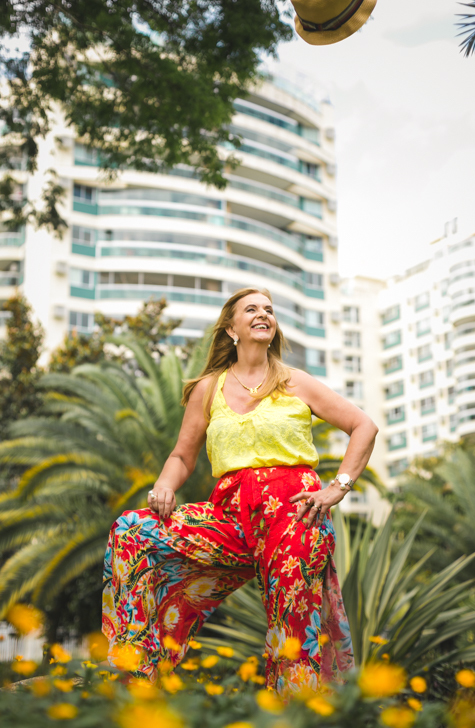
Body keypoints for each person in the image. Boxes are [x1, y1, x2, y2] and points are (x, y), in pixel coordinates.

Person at [102, 287, 378, 694]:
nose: (263, 314)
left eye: (269, 309)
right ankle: (135, 674)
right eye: (251, 309)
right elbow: (182, 456)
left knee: (292, 629)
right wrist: (163, 484)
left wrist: (337, 488)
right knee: (131, 532)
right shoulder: (209, 388)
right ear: (231, 328)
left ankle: (296, 714)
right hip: (231, 515)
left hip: (295, 513)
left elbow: (364, 426)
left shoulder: (295, 382)